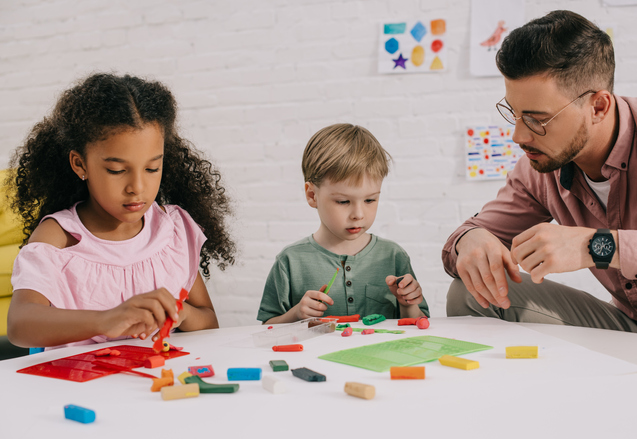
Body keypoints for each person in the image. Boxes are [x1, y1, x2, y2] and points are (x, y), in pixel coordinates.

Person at [443, 10, 637, 349]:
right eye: (514, 114)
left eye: (537, 119)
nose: (518, 135)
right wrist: (469, 241)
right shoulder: (541, 164)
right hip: (628, 323)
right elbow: (468, 238)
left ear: (599, 107)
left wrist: (596, 246)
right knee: (471, 292)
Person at [6, 73, 236, 350]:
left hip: (154, 385)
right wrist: (106, 320)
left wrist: (181, 313)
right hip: (79, 387)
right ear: (80, 165)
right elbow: (20, 325)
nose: (137, 187)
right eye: (117, 170)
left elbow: (210, 322)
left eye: (152, 168)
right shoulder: (61, 236)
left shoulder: (171, 230)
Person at [258, 123, 430, 324]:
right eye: (343, 201)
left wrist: (408, 303)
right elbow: (267, 328)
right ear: (312, 195)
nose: (358, 214)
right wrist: (296, 314)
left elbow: (420, 323)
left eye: (370, 200)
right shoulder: (290, 261)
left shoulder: (393, 256)